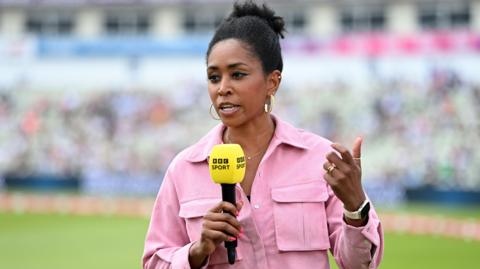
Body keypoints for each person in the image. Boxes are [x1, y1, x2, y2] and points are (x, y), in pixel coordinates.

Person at [142, 1, 384, 268]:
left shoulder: (320, 159)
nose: (223, 88)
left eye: (237, 74)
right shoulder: (183, 169)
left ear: (272, 81)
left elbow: (359, 265)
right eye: (214, 77)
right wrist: (197, 251)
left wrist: (355, 208)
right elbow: (155, 262)